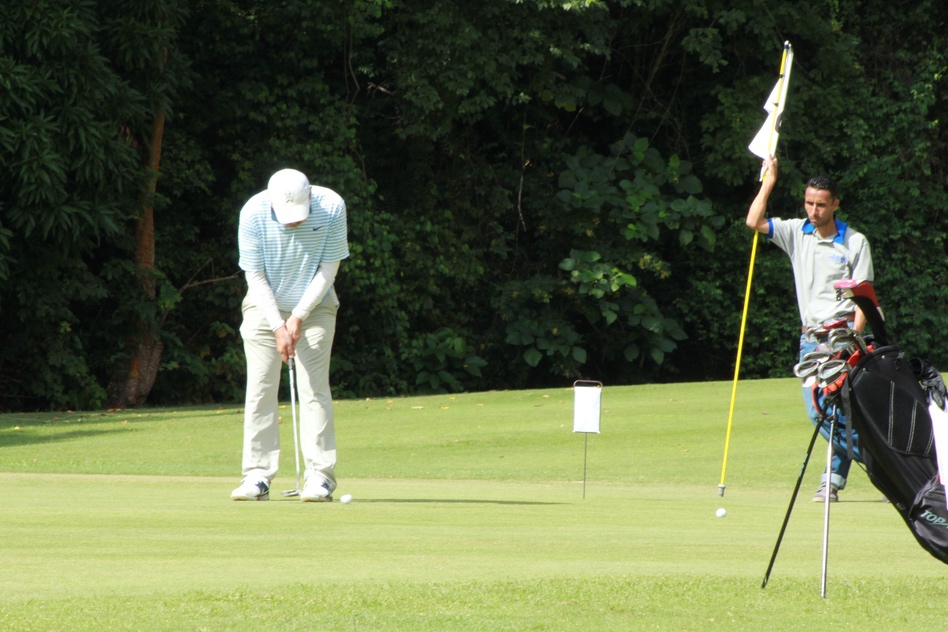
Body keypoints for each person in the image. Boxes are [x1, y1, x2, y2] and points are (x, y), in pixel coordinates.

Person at [746, 154, 874, 502]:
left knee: (833, 411)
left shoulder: (854, 242)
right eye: (809, 203)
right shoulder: (795, 232)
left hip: (843, 338)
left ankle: (835, 479)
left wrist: (854, 340)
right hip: (810, 341)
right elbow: (754, 221)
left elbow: (864, 299)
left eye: (821, 205)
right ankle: (884, 466)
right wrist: (769, 182)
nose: (814, 211)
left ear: (835, 205)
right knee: (821, 410)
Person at [231, 168, 349, 502]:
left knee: (314, 387)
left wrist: (298, 316)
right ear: (271, 202)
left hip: (316, 305)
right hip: (264, 304)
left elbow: (329, 268)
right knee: (261, 387)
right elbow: (255, 276)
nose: (293, 221)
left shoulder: (332, 206)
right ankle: (257, 476)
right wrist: (277, 325)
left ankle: (320, 477)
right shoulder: (253, 213)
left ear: (310, 196)